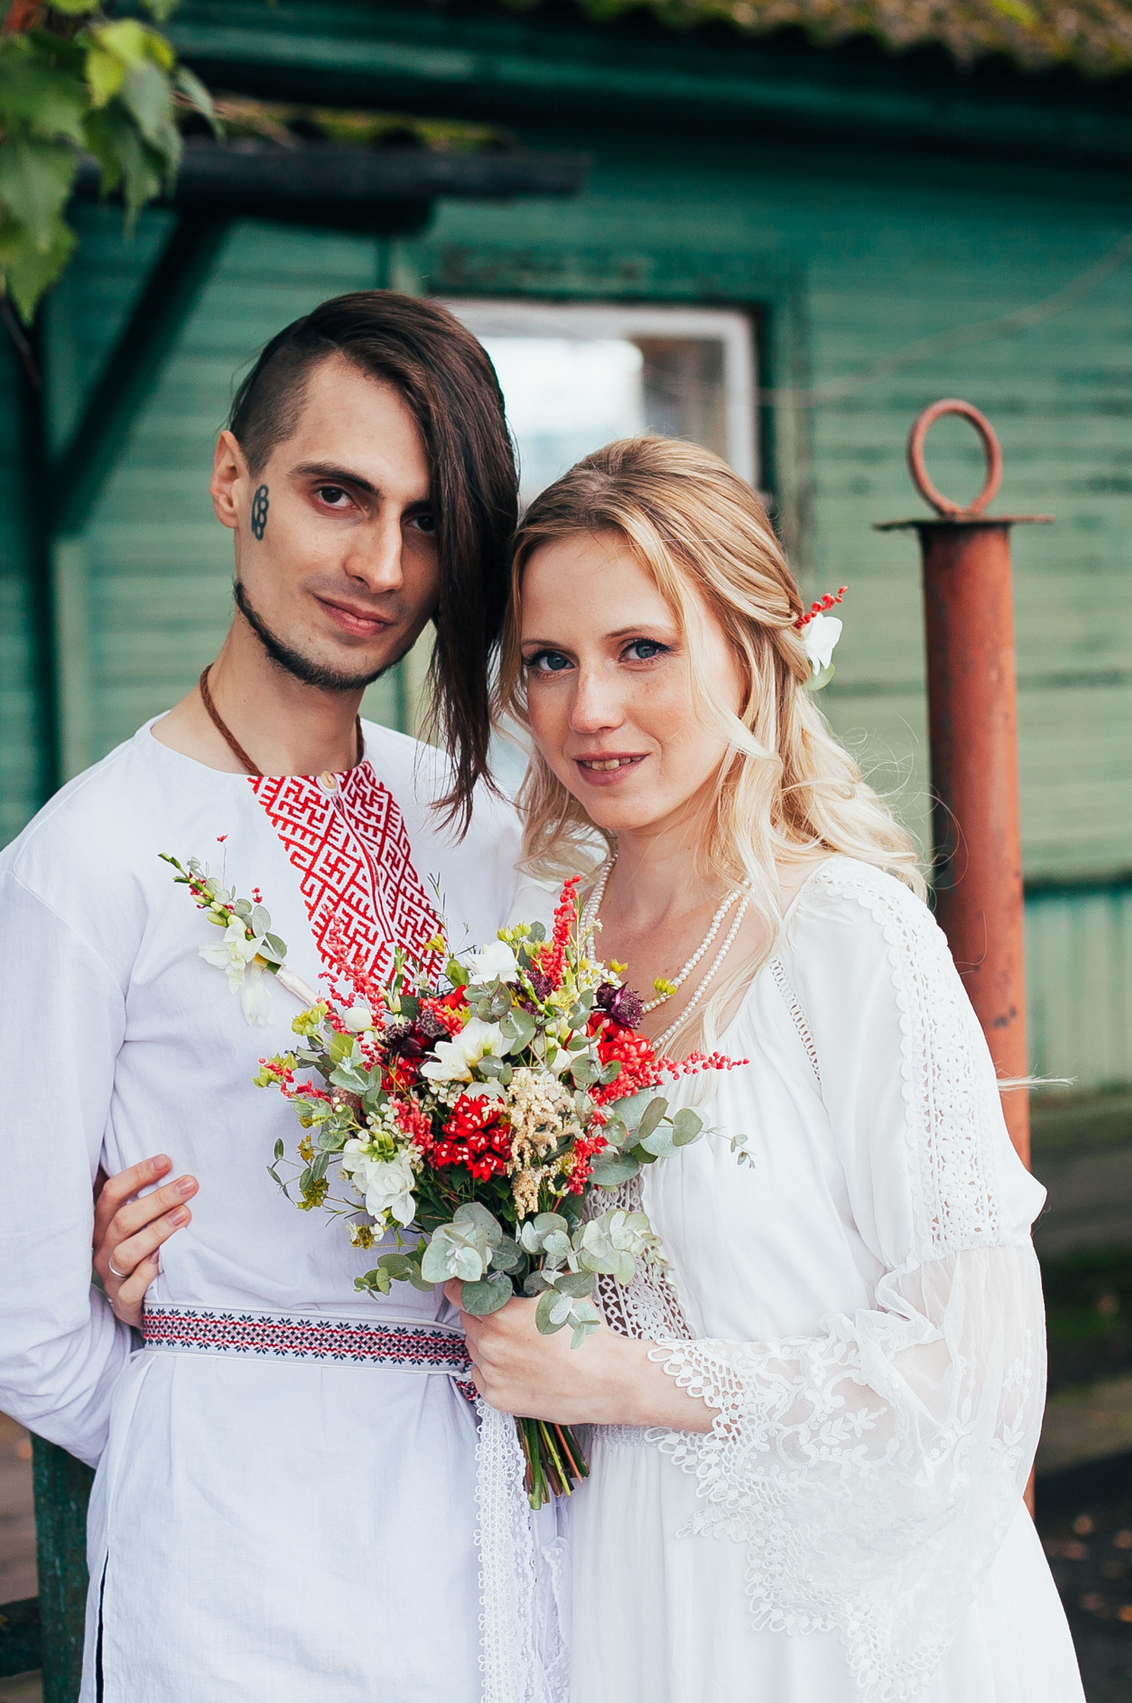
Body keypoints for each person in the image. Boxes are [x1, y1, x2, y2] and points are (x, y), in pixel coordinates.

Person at [0, 292, 526, 1702]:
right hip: (246, 1557)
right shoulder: (84, 867)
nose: (379, 561)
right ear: (234, 480)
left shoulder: (472, 822)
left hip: (505, 1515)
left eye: (426, 520)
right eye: (335, 494)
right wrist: (198, 1402)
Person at [447, 436, 1084, 1702]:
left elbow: (979, 1375)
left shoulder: (844, 934)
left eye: (642, 649)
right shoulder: (540, 957)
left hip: (838, 1629)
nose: (589, 711)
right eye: (548, 662)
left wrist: (622, 1379)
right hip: (622, 1599)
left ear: (749, 651)